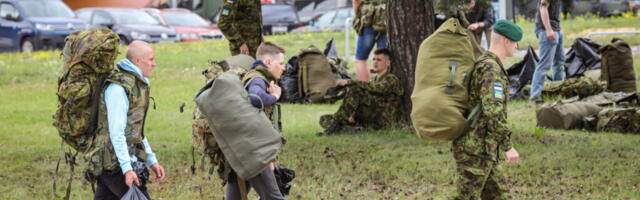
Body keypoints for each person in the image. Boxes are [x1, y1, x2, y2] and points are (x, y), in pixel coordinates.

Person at [452, 20, 521, 200]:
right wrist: (508, 146)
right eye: (515, 42)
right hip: (474, 150)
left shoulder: (485, 62)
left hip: (484, 149)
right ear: (506, 41)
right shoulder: (491, 69)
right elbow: (493, 111)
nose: (516, 46)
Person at [93, 40, 166, 200]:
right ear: (138, 61)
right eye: (151, 59)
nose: (154, 64)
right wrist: (127, 169)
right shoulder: (118, 89)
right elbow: (116, 132)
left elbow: (135, 130)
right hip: (114, 164)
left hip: (116, 162)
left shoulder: (135, 85)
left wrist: (151, 160)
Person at [223, 42, 287, 200]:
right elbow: (255, 98)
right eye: (281, 63)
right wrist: (274, 96)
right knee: (274, 197)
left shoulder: (255, 76)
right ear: (268, 62)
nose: (284, 68)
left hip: (241, 146)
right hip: (252, 151)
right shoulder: (257, 79)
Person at [317, 48, 403, 135]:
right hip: (367, 118)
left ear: (388, 63)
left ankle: (336, 127)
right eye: (374, 59)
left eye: (379, 60)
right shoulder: (373, 80)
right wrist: (353, 114)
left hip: (381, 119)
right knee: (324, 119)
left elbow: (379, 88)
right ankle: (351, 129)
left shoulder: (391, 79)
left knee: (356, 89)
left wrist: (350, 82)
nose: (375, 62)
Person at [529, 0, 565, 103]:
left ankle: (558, 92)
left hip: (556, 29)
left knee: (559, 64)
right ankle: (535, 96)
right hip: (547, 31)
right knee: (544, 65)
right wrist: (548, 30)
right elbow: (543, 7)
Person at [352, 0, 387, 82]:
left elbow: (356, 1)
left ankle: (365, 88)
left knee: (361, 59)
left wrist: (358, 16)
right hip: (386, 18)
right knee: (383, 57)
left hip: (368, 20)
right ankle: (383, 87)